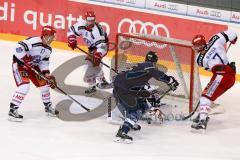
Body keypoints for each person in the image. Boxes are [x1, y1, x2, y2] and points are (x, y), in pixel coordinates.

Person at [113, 51, 179, 143]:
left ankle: (129, 123)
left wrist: (149, 97)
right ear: (155, 62)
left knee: (143, 104)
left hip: (124, 88)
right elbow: (158, 75)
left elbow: (140, 86)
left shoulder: (141, 67)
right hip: (123, 89)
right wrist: (170, 80)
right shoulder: (148, 65)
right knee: (136, 111)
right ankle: (122, 132)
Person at [9, 25, 58, 121]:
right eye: (52, 36)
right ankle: (12, 110)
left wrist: (46, 74)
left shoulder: (48, 49)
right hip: (20, 65)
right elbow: (18, 48)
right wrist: (25, 59)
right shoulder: (34, 41)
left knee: (45, 85)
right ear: (46, 36)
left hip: (33, 67)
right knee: (24, 86)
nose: (53, 39)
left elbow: (44, 62)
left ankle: (48, 107)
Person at [191, 30, 237, 132]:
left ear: (201, 45)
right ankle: (202, 114)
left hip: (222, 75)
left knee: (205, 96)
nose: (196, 48)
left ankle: (202, 121)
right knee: (209, 96)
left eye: (197, 46)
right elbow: (233, 34)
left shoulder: (199, 59)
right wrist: (233, 40)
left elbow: (208, 68)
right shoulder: (215, 39)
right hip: (227, 75)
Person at [67, 11, 110, 95]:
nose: (91, 22)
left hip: (102, 46)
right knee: (91, 64)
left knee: (91, 63)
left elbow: (102, 46)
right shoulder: (81, 24)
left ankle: (100, 81)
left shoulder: (97, 31)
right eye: (89, 20)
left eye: (93, 20)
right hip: (92, 47)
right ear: (85, 19)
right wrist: (72, 39)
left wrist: (98, 55)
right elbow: (71, 30)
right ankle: (97, 82)